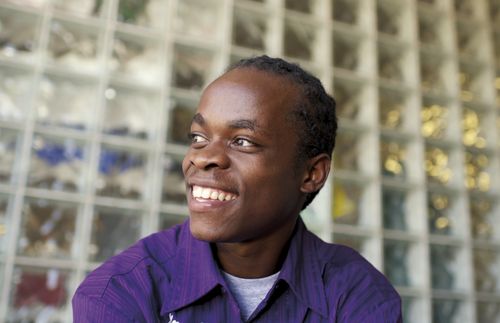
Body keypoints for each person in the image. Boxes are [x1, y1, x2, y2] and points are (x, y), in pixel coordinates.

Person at [72, 55, 402, 322]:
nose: (203, 159)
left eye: (242, 141)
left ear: (312, 173)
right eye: (198, 138)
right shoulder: (118, 293)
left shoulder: (358, 295)